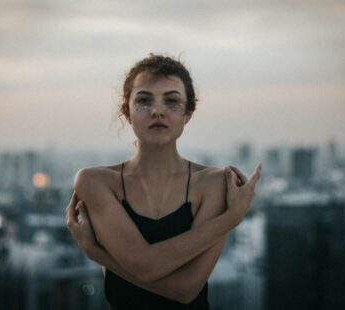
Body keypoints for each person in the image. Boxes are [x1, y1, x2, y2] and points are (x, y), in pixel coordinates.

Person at [66, 54, 262, 309]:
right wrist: (230, 219)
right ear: (127, 111)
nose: (157, 110)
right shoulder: (95, 182)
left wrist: (97, 253)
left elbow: (185, 290)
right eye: (144, 100)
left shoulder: (214, 183)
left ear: (188, 113)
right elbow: (146, 267)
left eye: (171, 101)